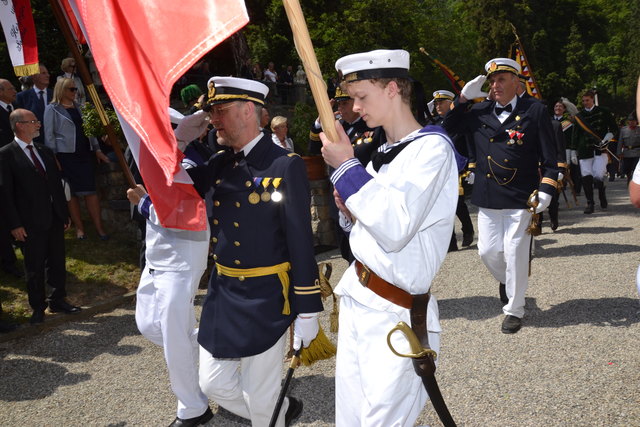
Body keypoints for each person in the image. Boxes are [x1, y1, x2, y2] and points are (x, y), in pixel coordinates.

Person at [319, 49, 459, 426]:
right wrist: (351, 213)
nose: (355, 107)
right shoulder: (380, 154)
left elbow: (395, 228)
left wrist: (346, 168)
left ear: (393, 89)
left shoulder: (432, 149)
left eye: (361, 96)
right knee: (350, 418)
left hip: (395, 313)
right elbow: (369, 232)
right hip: (359, 299)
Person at [185, 77, 323, 427]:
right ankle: (281, 410)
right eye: (211, 112)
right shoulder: (220, 163)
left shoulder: (284, 164)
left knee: (260, 397)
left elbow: (300, 240)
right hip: (224, 293)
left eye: (220, 110)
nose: (213, 119)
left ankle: (272, 414)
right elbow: (171, 186)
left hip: (266, 295)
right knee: (212, 383)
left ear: (249, 110)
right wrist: (177, 141)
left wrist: (308, 309)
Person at [443, 58, 558, 334]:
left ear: (516, 82)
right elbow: (448, 127)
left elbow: (550, 157)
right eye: (492, 81)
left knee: (515, 252)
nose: (495, 85)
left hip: (521, 196)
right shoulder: (478, 111)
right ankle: (509, 280)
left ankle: (514, 310)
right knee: (488, 252)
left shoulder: (534, 110)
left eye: (501, 79)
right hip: (489, 196)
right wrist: (461, 100)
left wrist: (547, 188)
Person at [127, 177, 212, 426]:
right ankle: (219, 344)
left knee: (175, 338)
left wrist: (144, 203)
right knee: (149, 326)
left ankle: (193, 408)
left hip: (182, 258)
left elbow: (187, 215)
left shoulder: (186, 165)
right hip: (156, 255)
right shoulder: (157, 163)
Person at [0, 109, 81, 324]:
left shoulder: (44, 151)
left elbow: (55, 185)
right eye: (33, 121)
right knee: (34, 266)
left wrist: (63, 213)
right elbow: (5, 194)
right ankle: (37, 307)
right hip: (28, 222)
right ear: (19, 125)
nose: (38, 124)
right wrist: (15, 224)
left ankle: (58, 299)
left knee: (57, 261)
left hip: (54, 216)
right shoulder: (6, 154)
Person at [308, 85, 385, 263]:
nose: (340, 108)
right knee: (345, 247)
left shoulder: (373, 126)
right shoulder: (334, 128)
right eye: (338, 104)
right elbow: (313, 149)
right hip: (339, 198)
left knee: (365, 252)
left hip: (362, 196)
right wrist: (320, 122)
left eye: (345, 103)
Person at [43, 78, 111, 240]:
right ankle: (80, 229)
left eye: (76, 89)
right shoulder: (52, 109)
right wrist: (53, 158)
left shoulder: (81, 107)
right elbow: (49, 135)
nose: (75, 92)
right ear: (62, 90)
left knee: (91, 191)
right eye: (72, 89)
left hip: (84, 154)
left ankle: (99, 228)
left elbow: (90, 132)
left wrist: (97, 150)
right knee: (71, 194)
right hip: (65, 157)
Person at [428, 89, 475, 250]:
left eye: (441, 102)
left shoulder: (461, 121)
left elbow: (469, 144)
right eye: (436, 103)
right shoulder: (433, 124)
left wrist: (472, 166)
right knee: (442, 205)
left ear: (451, 104)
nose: (438, 106)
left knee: (457, 203)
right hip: (438, 170)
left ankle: (467, 230)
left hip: (457, 168)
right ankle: (451, 242)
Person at [572, 89, 618, 214]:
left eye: (587, 100)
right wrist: (573, 151)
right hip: (584, 149)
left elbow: (614, 128)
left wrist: (608, 137)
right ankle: (590, 203)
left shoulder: (604, 111)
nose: (585, 103)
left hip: (600, 148)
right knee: (586, 176)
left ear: (592, 99)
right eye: (583, 101)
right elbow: (575, 135)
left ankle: (602, 195)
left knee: (599, 175)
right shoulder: (579, 116)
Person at [0, 79, 22, 278]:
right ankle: (8, 261)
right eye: (11, 88)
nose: (15, 90)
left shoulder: (16, 109)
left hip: (21, 167)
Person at [16, 65, 52, 144]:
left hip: (55, 141)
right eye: (43, 73)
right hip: (34, 142)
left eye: (47, 73)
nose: (48, 75)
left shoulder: (55, 95)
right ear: (34, 76)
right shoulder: (22, 97)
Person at [618, 112, 640, 184]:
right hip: (627, 153)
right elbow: (620, 142)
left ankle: (633, 180)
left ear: (636, 121)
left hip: (637, 152)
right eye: (630, 121)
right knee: (627, 168)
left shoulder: (639, 129)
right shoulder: (623, 130)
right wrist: (619, 152)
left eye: (633, 121)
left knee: (635, 168)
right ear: (628, 121)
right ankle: (629, 177)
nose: (632, 122)